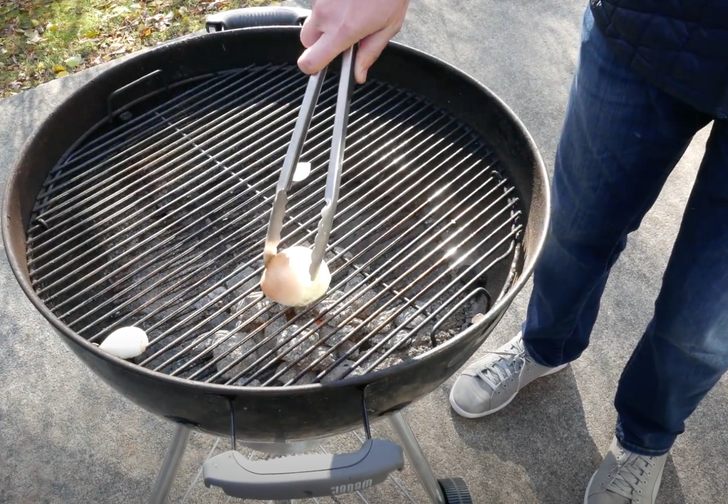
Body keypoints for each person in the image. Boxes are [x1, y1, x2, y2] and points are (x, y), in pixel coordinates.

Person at [297, 1, 728, 502]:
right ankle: (546, 346)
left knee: (702, 322)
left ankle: (646, 439)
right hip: (645, 27)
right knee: (572, 232)